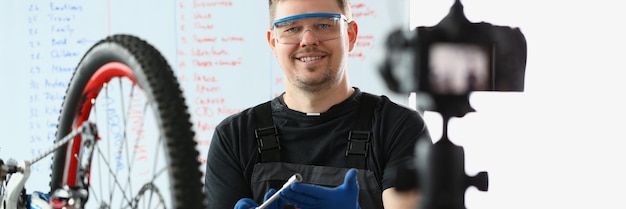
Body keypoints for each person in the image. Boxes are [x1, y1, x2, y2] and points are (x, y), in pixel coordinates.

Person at [204, 0, 432, 208]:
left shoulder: (398, 128)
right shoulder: (234, 137)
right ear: (273, 42)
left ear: (350, 35)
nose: (308, 40)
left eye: (324, 25)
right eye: (292, 28)